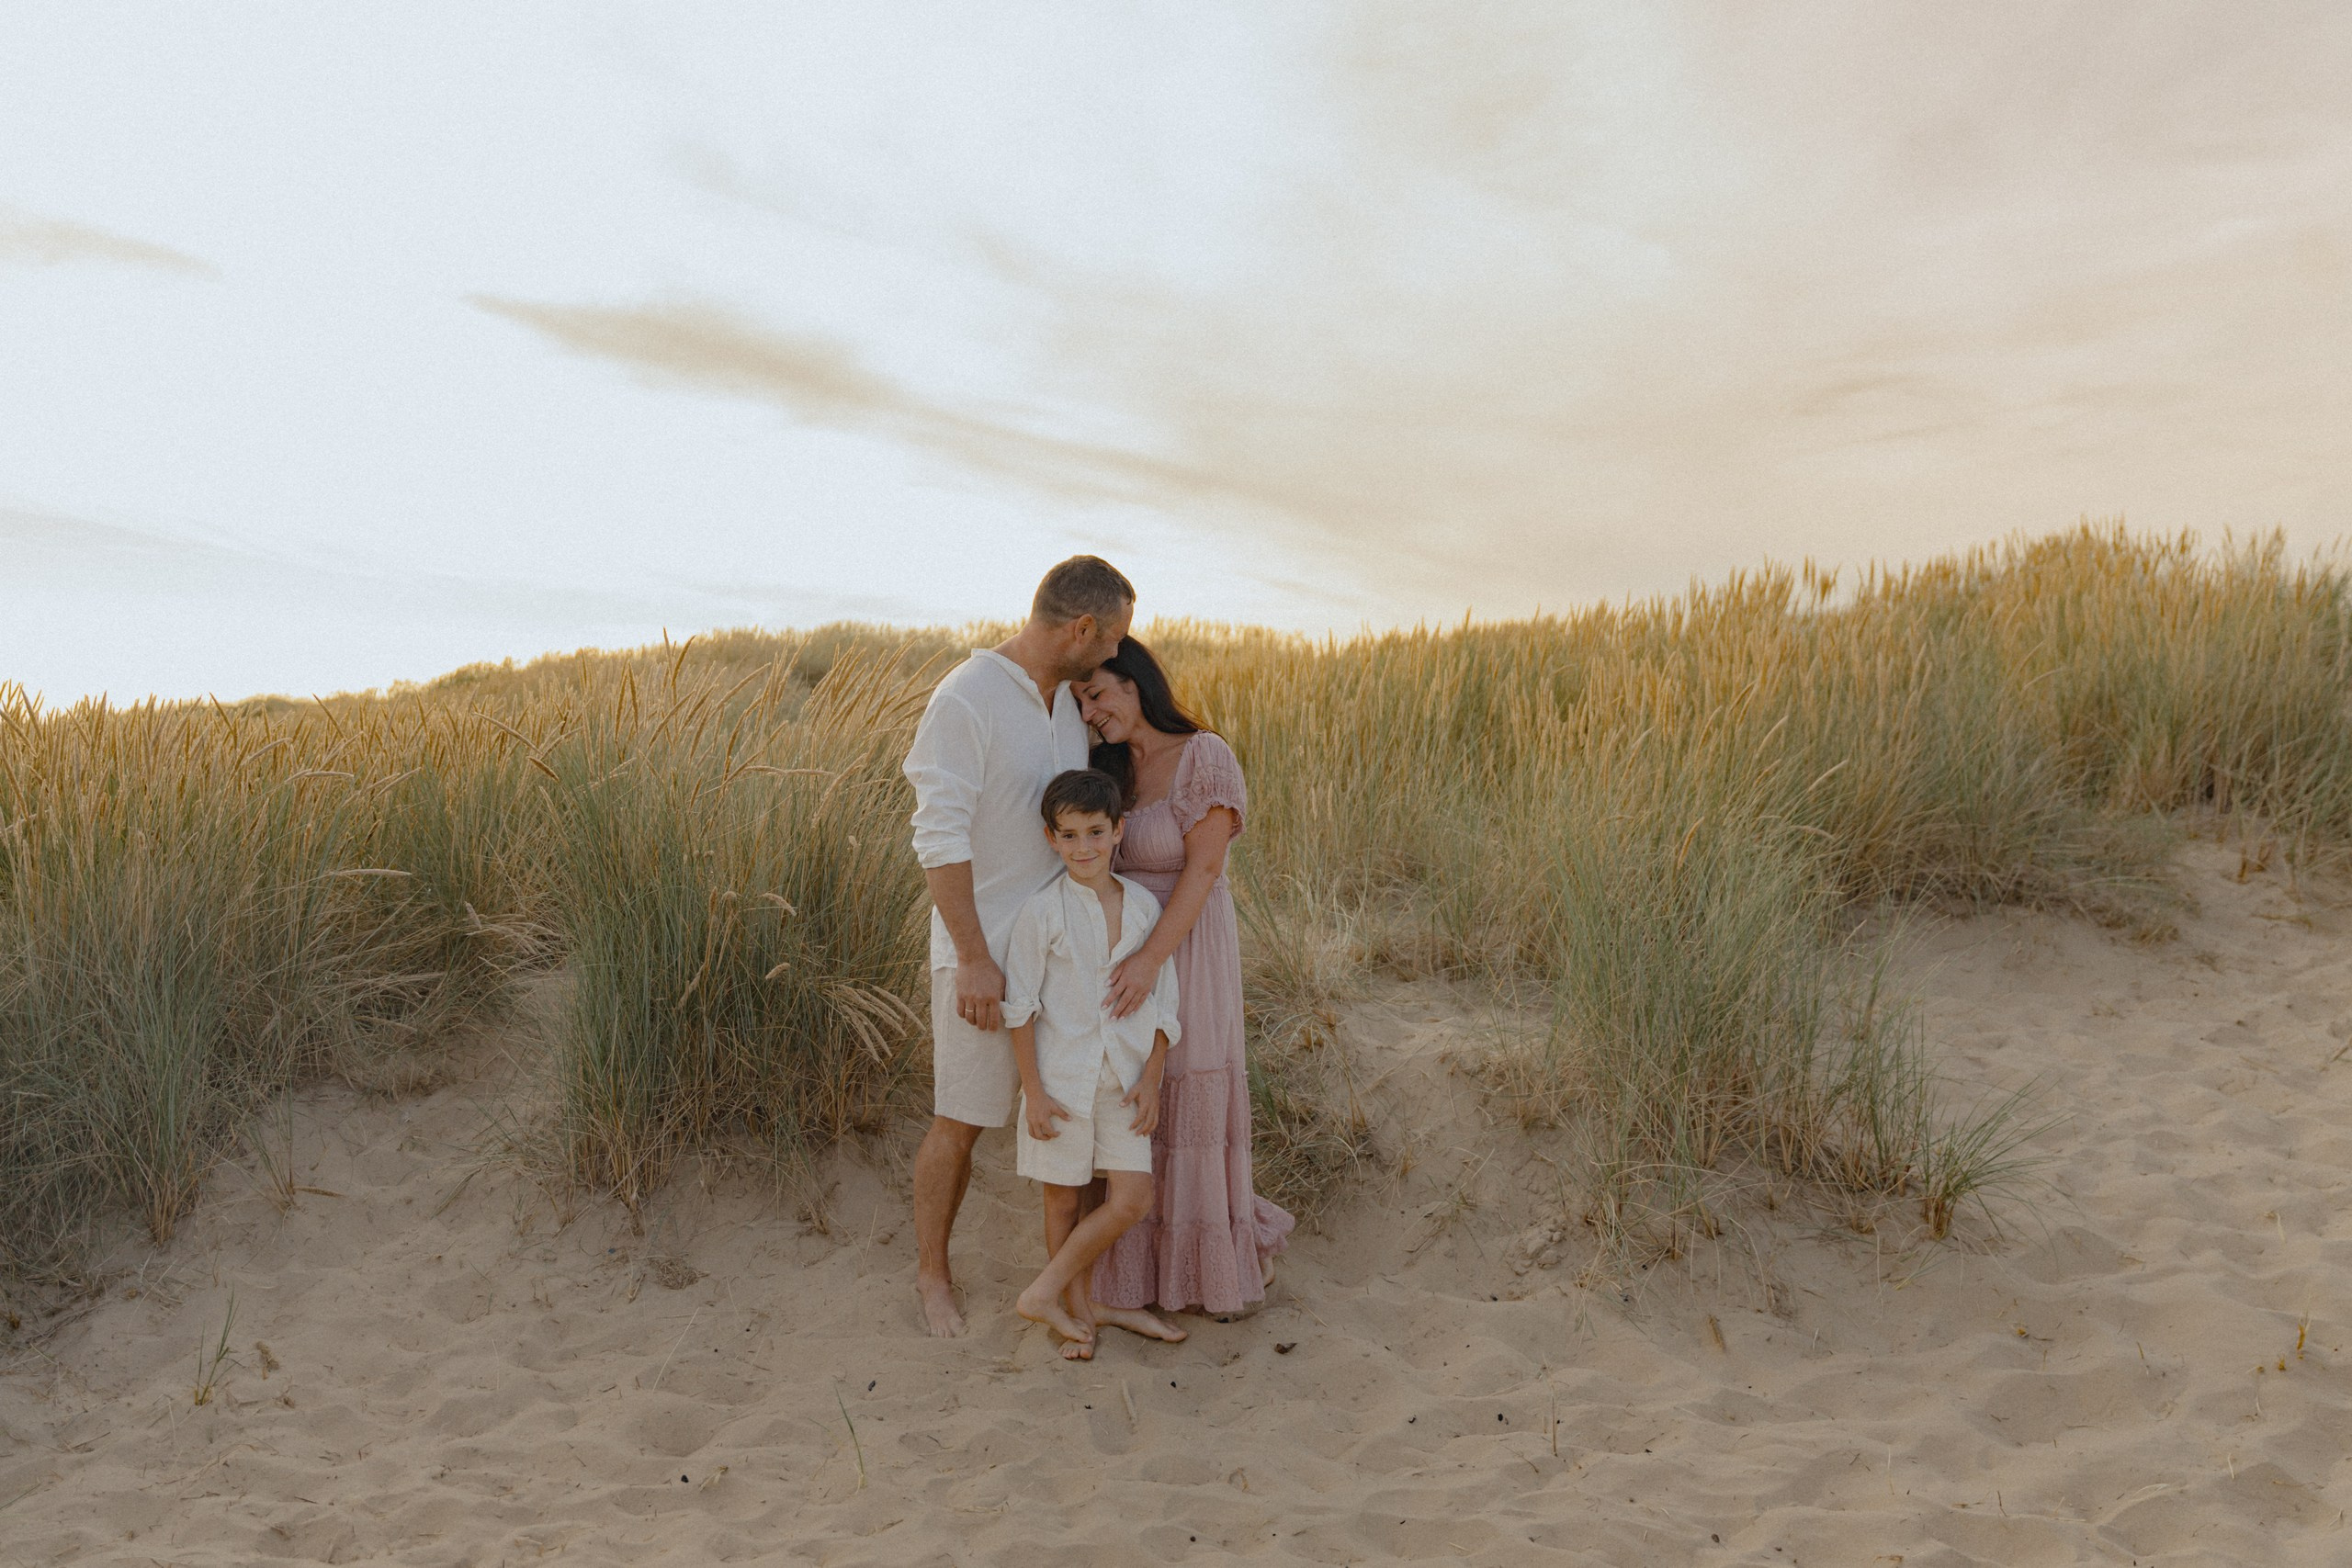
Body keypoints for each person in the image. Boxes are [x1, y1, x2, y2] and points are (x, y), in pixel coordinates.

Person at [901, 557, 1134, 1337]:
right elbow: (937, 833)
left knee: (1083, 1118)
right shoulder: (966, 697)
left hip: (1065, 954)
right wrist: (971, 955)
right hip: (986, 954)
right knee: (960, 1119)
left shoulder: (1065, 706)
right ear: (1081, 629)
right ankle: (934, 1279)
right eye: (1111, 643)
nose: (1112, 659)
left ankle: (1074, 1285)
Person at [1080, 637, 1294, 1325]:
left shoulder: (1205, 755)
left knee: (1191, 1080)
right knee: (1135, 1097)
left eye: (1099, 693)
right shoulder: (1110, 769)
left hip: (1190, 942)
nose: (1090, 711)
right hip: (1123, 947)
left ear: (1137, 685)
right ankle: (1133, 1270)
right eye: (1082, 700)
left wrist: (1152, 960)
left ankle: (1206, 1273)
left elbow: (1202, 872)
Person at [1001, 769, 1182, 1359]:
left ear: (1118, 832)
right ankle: (1076, 1313)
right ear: (1052, 838)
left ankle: (1045, 1292)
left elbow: (1162, 1006)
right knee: (1063, 1199)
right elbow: (1020, 1007)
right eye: (1070, 835)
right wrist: (1033, 1091)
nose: (1084, 848)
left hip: (1125, 1082)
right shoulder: (1042, 911)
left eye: (1096, 833)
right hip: (1061, 1081)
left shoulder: (1142, 908)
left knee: (1131, 1198)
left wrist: (1151, 1079)